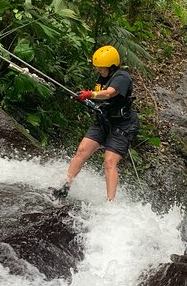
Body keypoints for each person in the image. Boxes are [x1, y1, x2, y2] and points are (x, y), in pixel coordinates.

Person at [53, 45, 139, 201]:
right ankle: (65, 186)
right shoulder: (102, 78)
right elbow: (100, 98)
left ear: (111, 66)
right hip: (103, 120)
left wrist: (90, 94)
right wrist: (85, 98)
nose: (99, 70)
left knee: (109, 162)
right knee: (82, 151)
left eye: (101, 68)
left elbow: (109, 93)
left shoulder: (122, 78)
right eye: (97, 68)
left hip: (122, 126)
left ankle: (110, 202)